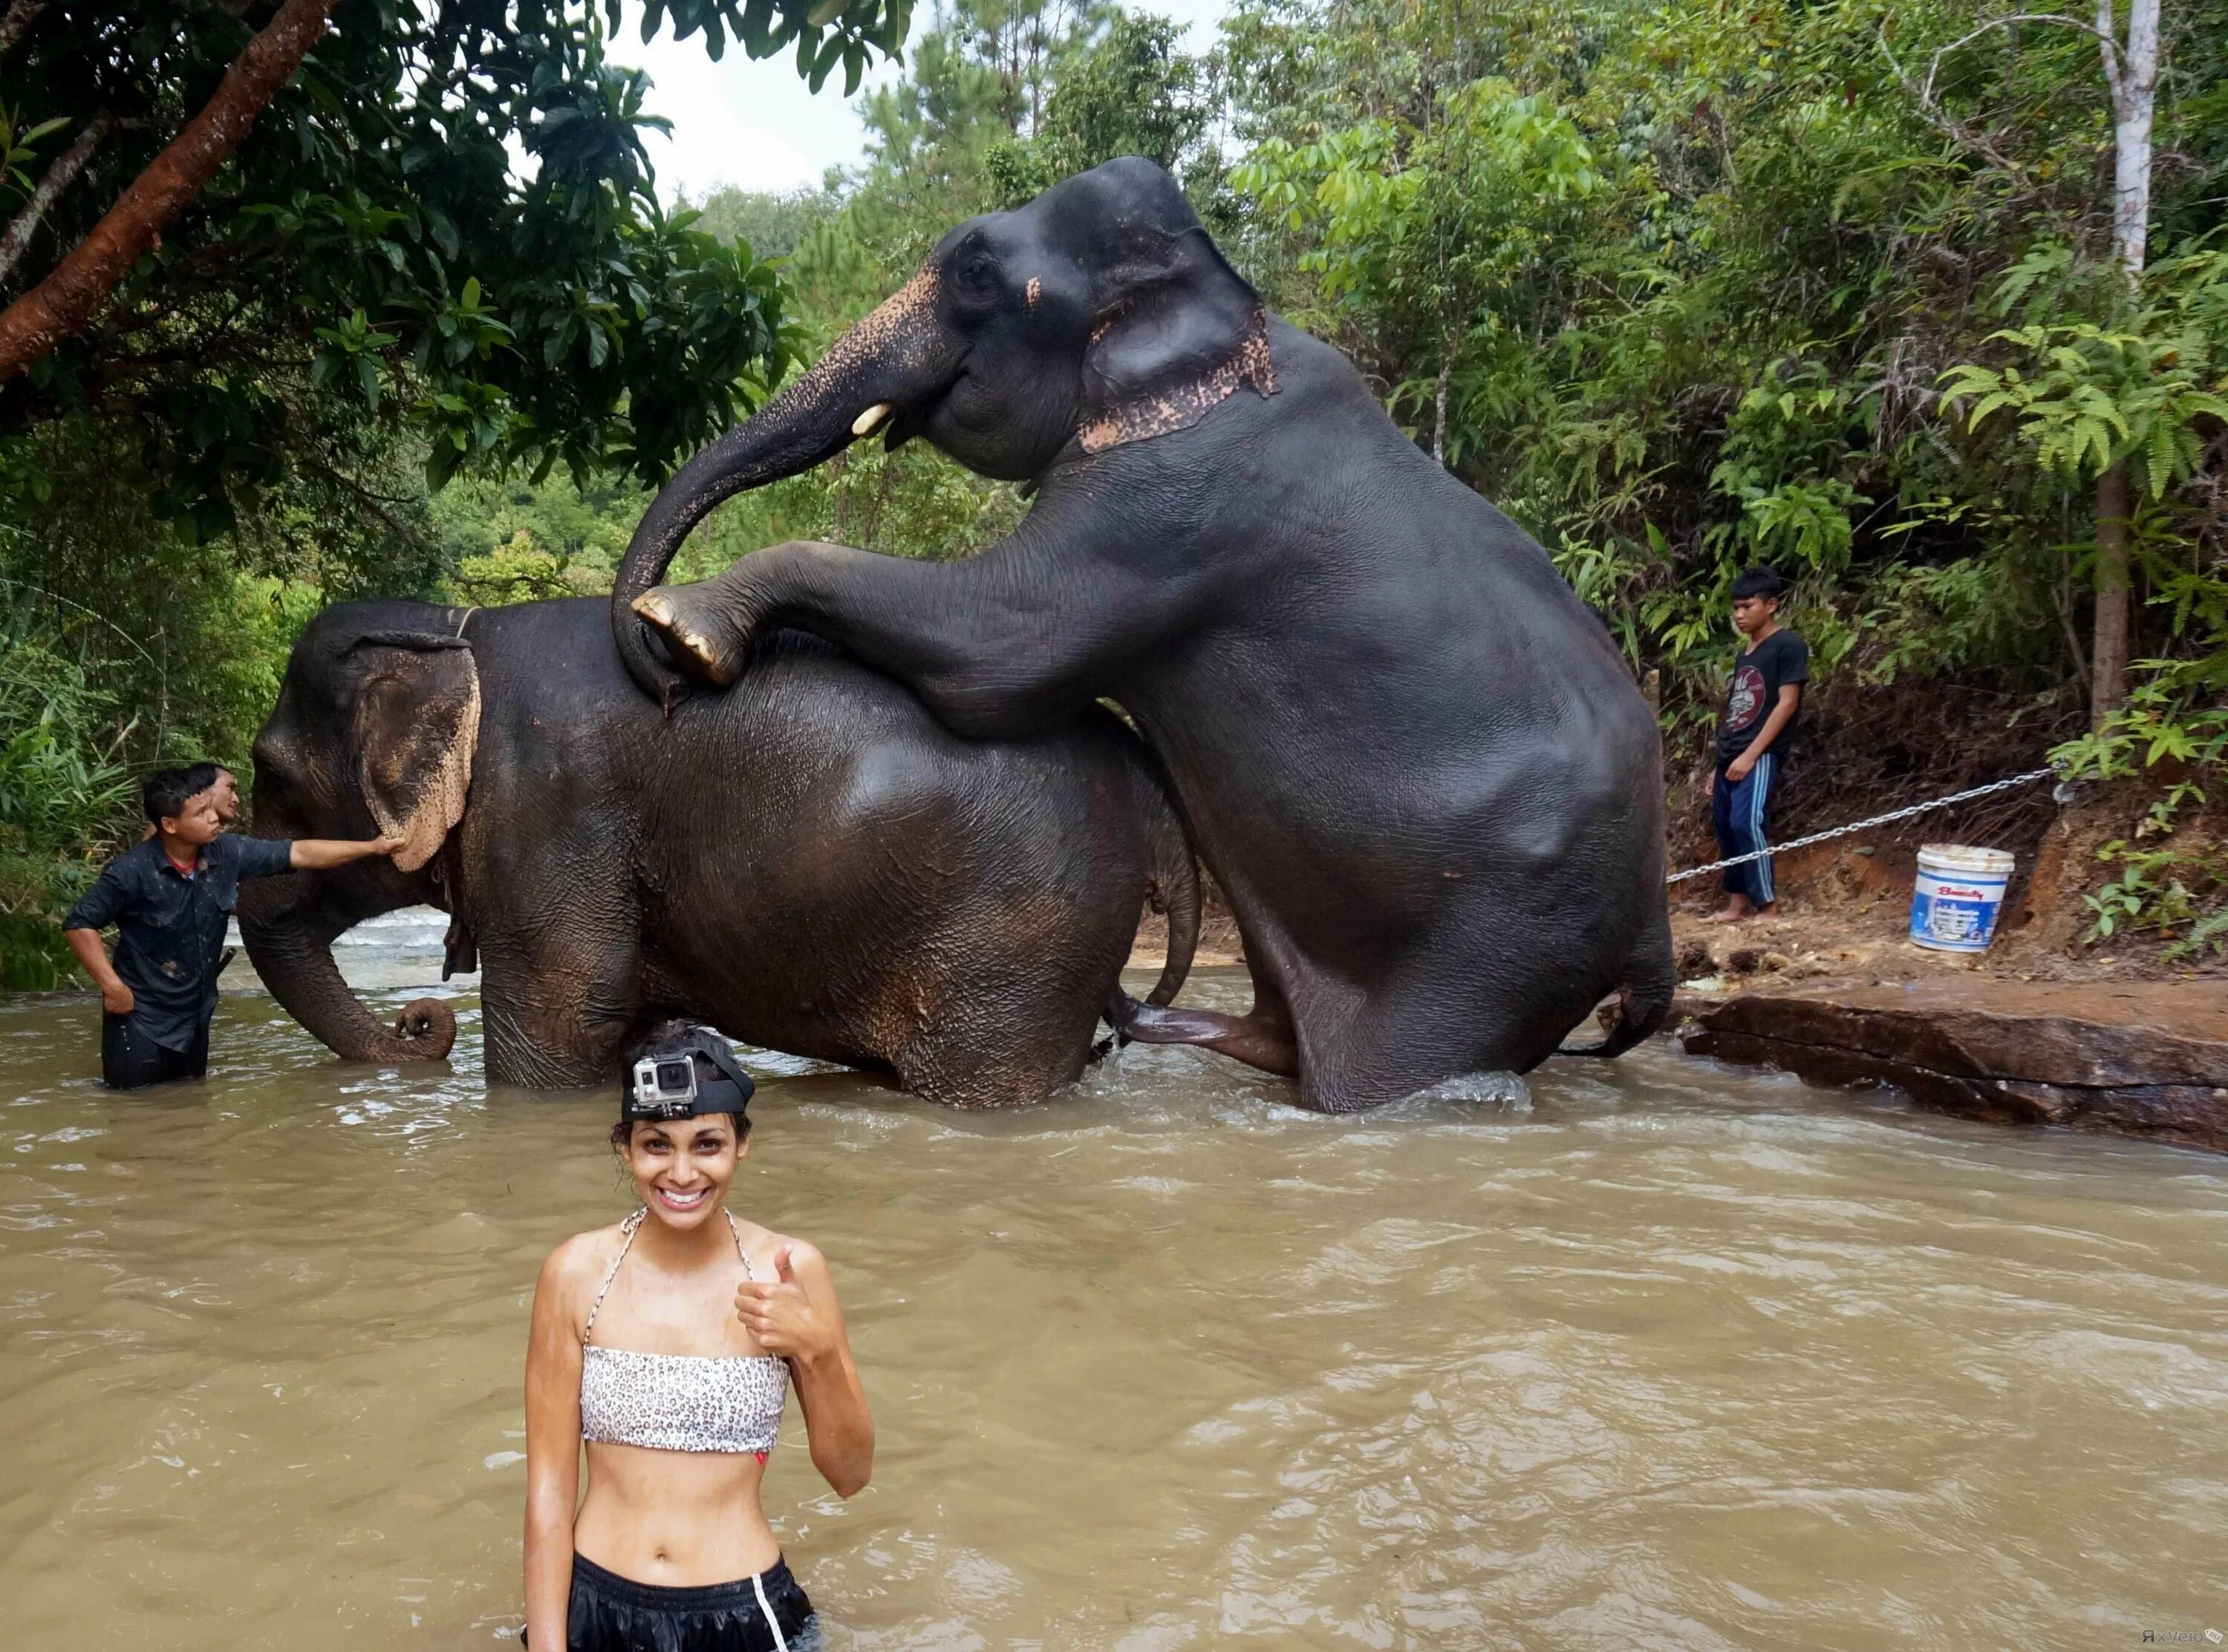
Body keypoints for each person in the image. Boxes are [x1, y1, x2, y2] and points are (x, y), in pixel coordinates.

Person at [524, 1022, 872, 1652]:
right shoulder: (575, 1274)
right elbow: (549, 1493)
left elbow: (850, 1474)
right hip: (592, 1605)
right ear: (626, 1149)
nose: (681, 1173)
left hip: (743, 1611)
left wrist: (815, 1349)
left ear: (741, 1144)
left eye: (707, 1143)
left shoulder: (790, 1271)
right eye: (657, 1144)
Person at [63, 766, 405, 1089]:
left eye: (209, 808)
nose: (213, 818)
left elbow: (299, 853)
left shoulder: (226, 853)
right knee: (132, 1112)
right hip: (141, 1020)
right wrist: (111, 986)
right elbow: (80, 923)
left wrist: (371, 848)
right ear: (169, 824)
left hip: (196, 1016)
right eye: (200, 814)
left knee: (188, 1104)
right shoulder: (131, 872)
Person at [1706, 566, 1808, 923]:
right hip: (1730, 753)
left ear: (1772, 605)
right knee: (1724, 824)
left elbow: (1787, 702)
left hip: (1760, 753)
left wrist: (1752, 754)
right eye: (1735, 608)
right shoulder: (1746, 652)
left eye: (1747, 606)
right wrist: (1717, 763)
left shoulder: (1788, 645)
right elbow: (1737, 708)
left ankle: (1767, 906)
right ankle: (1737, 904)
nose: (1739, 615)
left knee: (1746, 823)